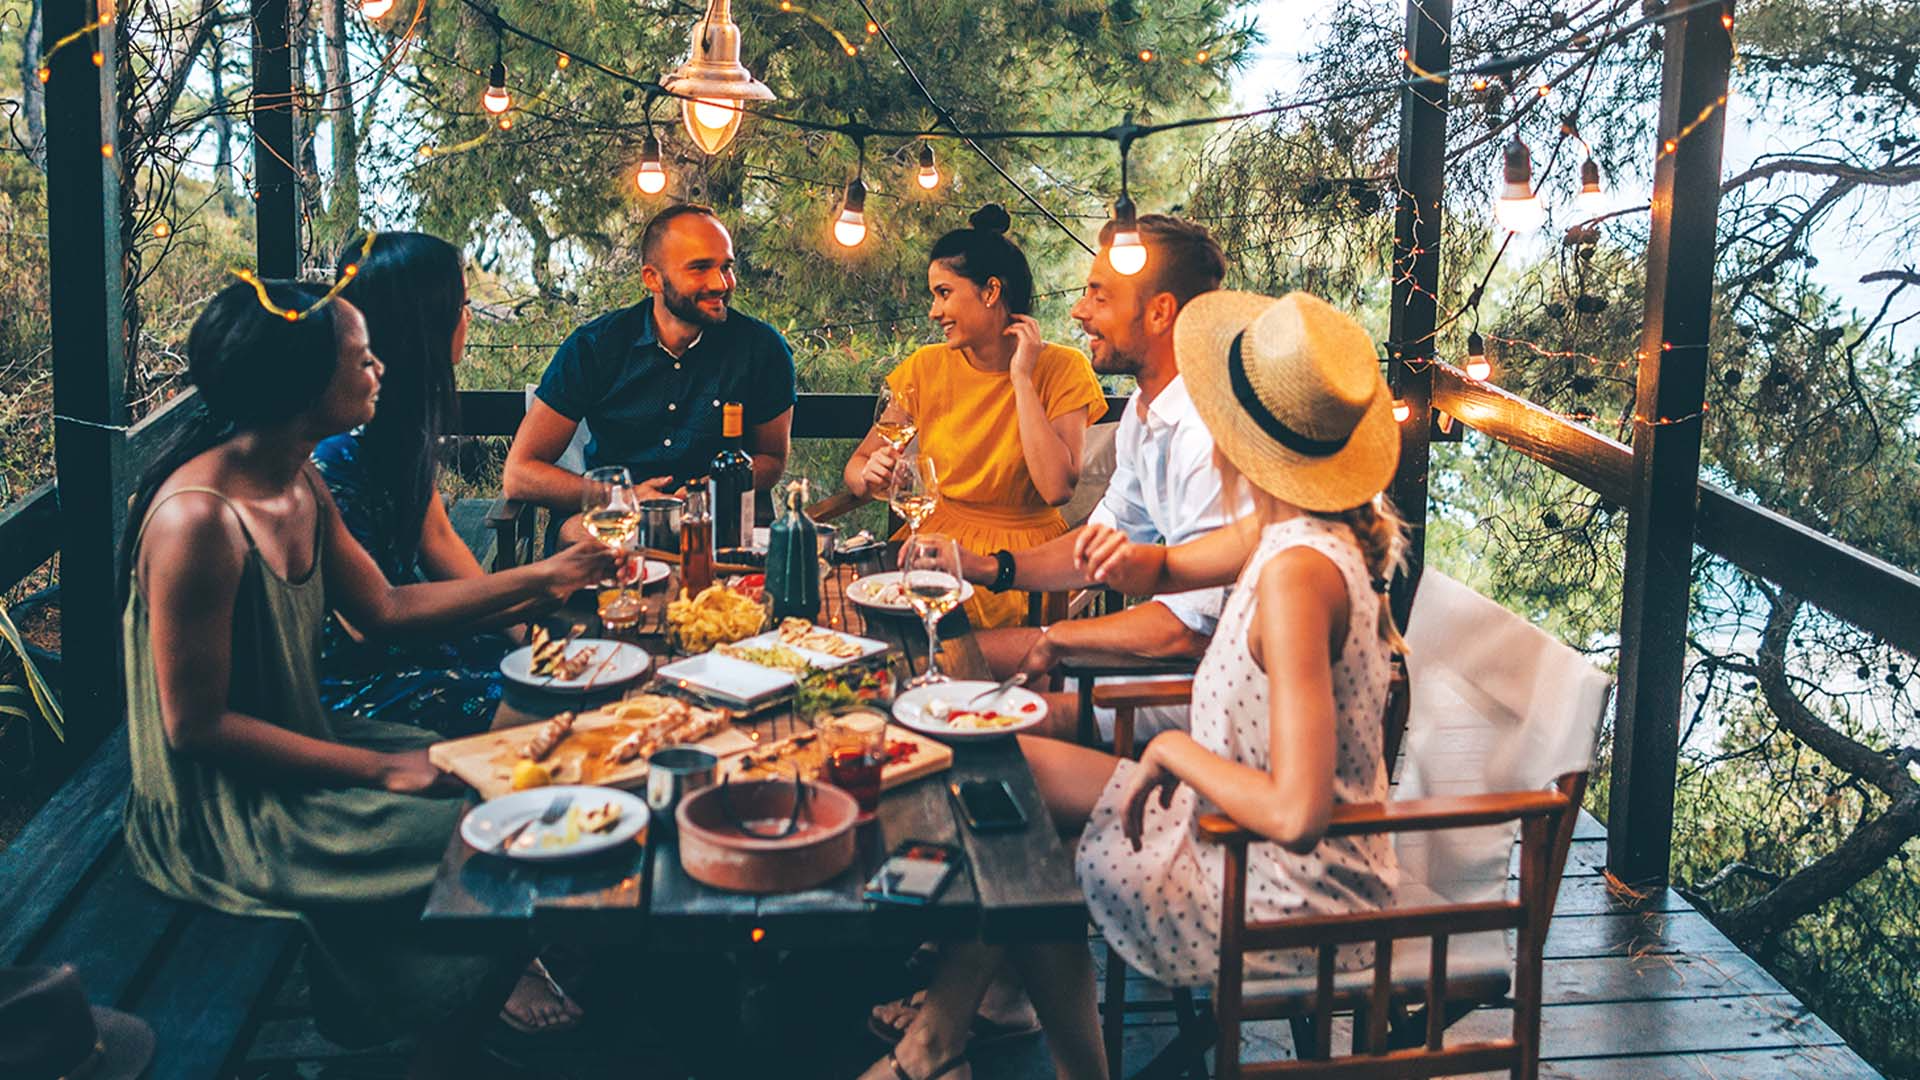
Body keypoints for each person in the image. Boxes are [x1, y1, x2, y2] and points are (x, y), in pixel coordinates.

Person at [863, 290, 1406, 1080]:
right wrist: (1126, 561)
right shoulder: (1278, 527)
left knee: (1030, 841)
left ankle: (949, 1043)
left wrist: (1179, 751)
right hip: (1220, 819)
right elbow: (1174, 563)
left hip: (1280, 885)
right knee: (1006, 770)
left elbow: (1299, 812)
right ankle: (962, 1035)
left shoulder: (1297, 578)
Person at [120, 279, 617, 1074]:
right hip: (226, 808)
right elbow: (197, 728)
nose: (381, 368)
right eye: (361, 357)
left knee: (531, 789)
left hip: (306, 741)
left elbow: (384, 606)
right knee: (506, 843)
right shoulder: (199, 520)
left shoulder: (299, 478)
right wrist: (388, 768)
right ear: (300, 383)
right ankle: (438, 1043)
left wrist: (543, 581)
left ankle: (446, 1029)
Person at [965, 214, 1242, 742]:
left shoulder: (1207, 434)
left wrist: (1064, 638)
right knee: (947, 659)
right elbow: (1099, 545)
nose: (1079, 311)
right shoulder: (1144, 411)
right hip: (1161, 666)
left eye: (1099, 296)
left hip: (1204, 695)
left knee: (977, 727)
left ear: (1160, 312)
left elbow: (1183, 633)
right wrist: (986, 566)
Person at [843, 204, 1108, 629]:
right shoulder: (925, 367)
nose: (933, 311)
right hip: (931, 543)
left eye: (943, 293)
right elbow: (856, 468)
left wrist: (1022, 378)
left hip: (1018, 562)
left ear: (990, 292)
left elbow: (1057, 487)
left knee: (936, 636)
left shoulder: (1061, 369)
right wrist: (869, 474)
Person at [312, 231, 515, 739]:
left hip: (402, 635)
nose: (467, 317)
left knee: (544, 670)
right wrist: (539, 586)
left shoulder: (399, 417)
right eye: (461, 305)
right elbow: (372, 617)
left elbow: (438, 540)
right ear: (423, 321)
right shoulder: (336, 452)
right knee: (533, 700)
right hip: (351, 676)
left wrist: (523, 633)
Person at [504, 203, 796, 537]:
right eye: (700, 268)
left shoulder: (761, 349)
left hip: (717, 522)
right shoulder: (596, 348)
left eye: (726, 267)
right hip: (615, 521)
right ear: (652, 278)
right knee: (572, 534)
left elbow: (771, 458)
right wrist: (620, 497)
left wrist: (714, 489)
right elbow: (519, 475)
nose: (720, 283)